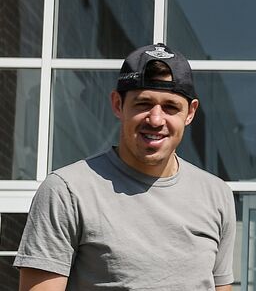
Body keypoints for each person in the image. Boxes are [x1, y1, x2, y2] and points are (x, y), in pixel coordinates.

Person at [14, 43, 236, 291]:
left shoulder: (217, 195)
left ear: (190, 113)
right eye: (143, 104)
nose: (155, 119)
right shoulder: (67, 191)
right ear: (118, 104)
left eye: (170, 107)